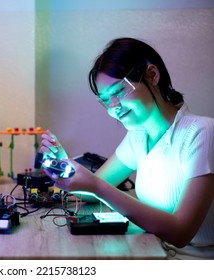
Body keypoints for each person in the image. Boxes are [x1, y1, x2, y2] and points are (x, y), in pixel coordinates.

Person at [40, 37, 214, 259]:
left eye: (119, 91)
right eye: (105, 100)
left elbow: (180, 232)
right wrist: (66, 168)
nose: (114, 107)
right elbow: (92, 193)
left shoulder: (202, 132)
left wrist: (96, 186)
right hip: (152, 252)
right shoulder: (138, 138)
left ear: (152, 75)